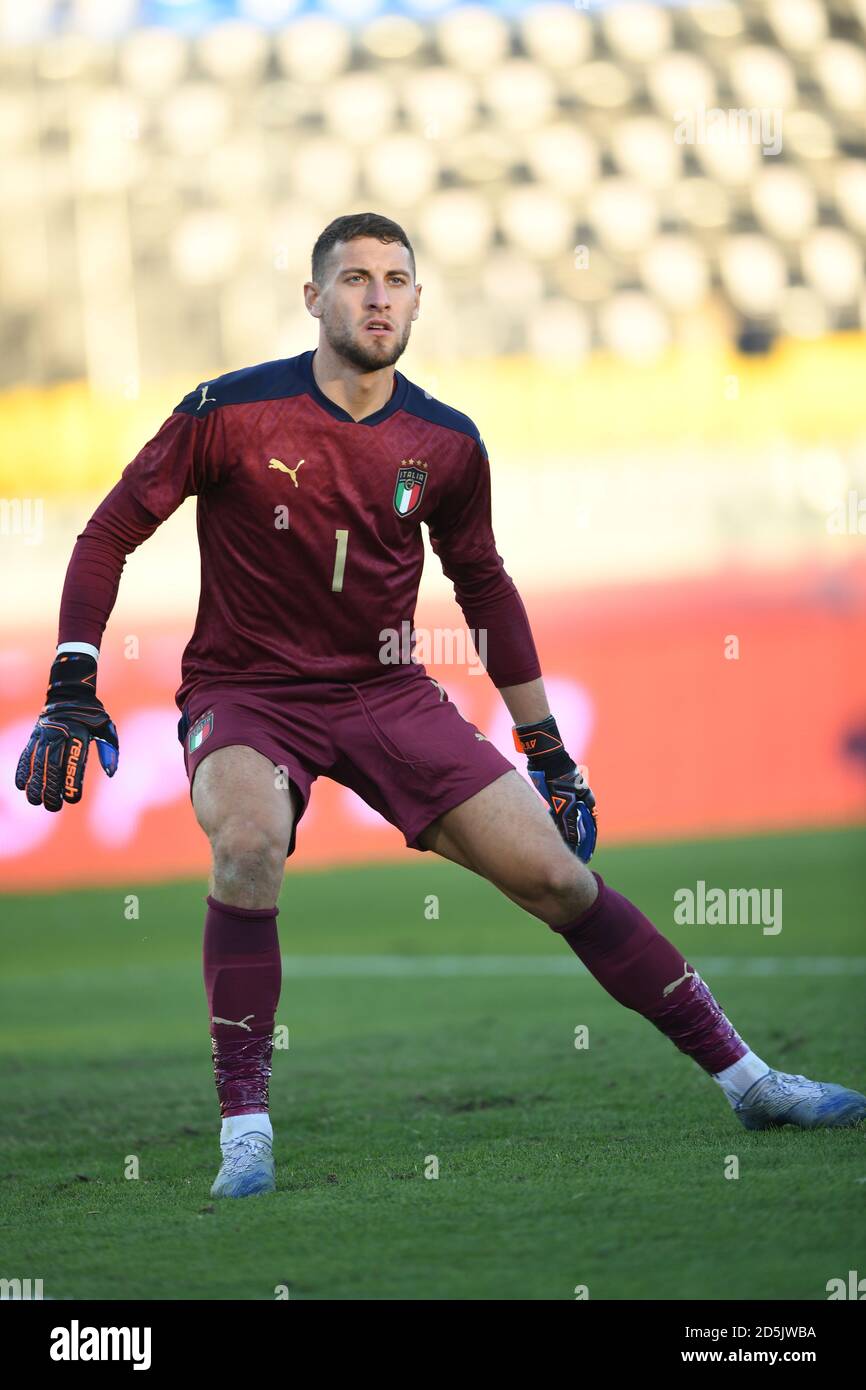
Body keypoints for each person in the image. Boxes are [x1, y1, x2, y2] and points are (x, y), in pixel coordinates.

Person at [16, 212, 865, 1198]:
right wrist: (72, 679)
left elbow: (485, 587)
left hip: (386, 691)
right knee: (247, 843)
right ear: (313, 298)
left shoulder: (446, 443)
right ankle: (244, 1129)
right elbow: (110, 530)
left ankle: (749, 1081)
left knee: (557, 879)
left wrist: (543, 745)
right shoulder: (226, 412)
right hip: (247, 695)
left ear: (416, 300)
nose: (378, 296)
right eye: (356, 278)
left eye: (396, 280)